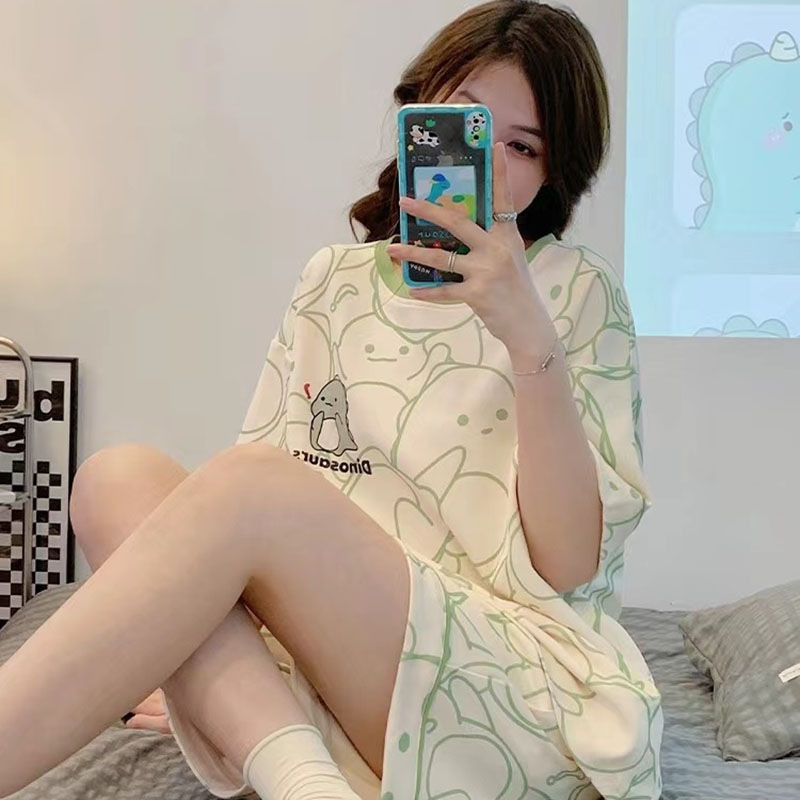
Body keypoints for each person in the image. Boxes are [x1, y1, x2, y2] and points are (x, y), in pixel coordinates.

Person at [0, 2, 664, 799]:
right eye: (462, 126)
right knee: (118, 478)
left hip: (500, 687)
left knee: (250, 485)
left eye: (521, 147)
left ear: (555, 171)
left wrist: (529, 339)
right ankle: (303, 778)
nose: (484, 164)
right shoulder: (334, 281)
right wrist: (193, 661)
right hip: (335, 668)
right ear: (415, 118)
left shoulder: (578, 293)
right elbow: (243, 529)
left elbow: (566, 566)